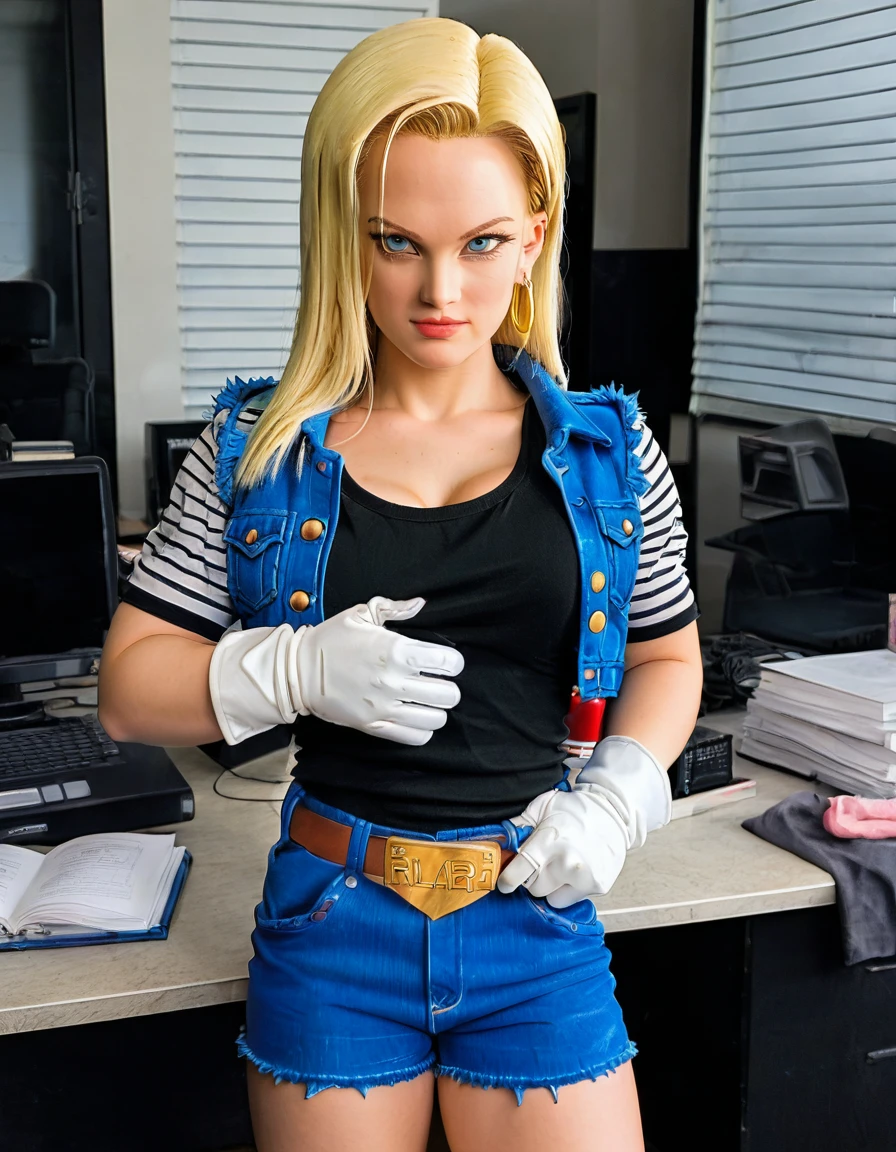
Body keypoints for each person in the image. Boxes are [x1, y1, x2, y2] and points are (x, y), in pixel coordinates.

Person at [98, 17, 702, 1152]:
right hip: (335, 923)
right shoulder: (253, 452)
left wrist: (620, 793)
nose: (440, 290)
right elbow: (129, 691)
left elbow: (668, 655)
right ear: (341, 235)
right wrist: (288, 669)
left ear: (533, 238)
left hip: (535, 919)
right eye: (395, 242)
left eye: (479, 243)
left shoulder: (611, 457)